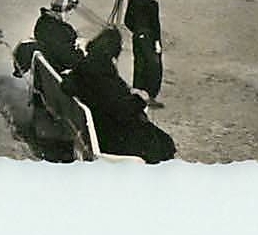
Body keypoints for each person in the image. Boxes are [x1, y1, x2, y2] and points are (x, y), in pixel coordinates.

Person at [62, 27, 176, 164]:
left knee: (158, 139)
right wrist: (141, 99)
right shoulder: (103, 74)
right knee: (164, 143)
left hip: (98, 127)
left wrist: (125, 91)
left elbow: (69, 85)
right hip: (110, 137)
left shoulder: (87, 66)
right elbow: (122, 109)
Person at [124, 0, 164, 106]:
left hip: (137, 37)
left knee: (139, 65)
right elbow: (155, 25)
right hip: (149, 37)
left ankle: (137, 93)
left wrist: (137, 31)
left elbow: (127, 21)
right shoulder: (152, 4)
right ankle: (149, 95)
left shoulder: (133, 2)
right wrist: (157, 41)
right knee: (153, 67)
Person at [32, 0, 85, 74]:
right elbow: (70, 60)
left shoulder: (43, 22)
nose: (71, 14)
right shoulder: (59, 30)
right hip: (59, 75)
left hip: (48, 71)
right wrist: (81, 51)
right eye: (70, 11)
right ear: (64, 11)